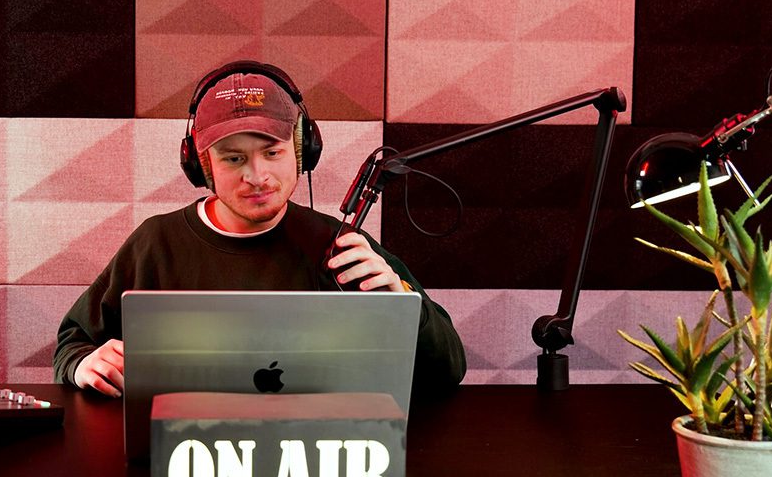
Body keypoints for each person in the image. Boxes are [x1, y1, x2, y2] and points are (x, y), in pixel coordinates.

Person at [53, 61, 466, 399]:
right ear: (201, 165)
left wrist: (400, 302)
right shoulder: (155, 244)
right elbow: (73, 343)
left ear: (302, 150)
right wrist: (82, 364)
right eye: (234, 159)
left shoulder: (338, 247)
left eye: (272, 153)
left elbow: (448, 368)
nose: (257, 176)